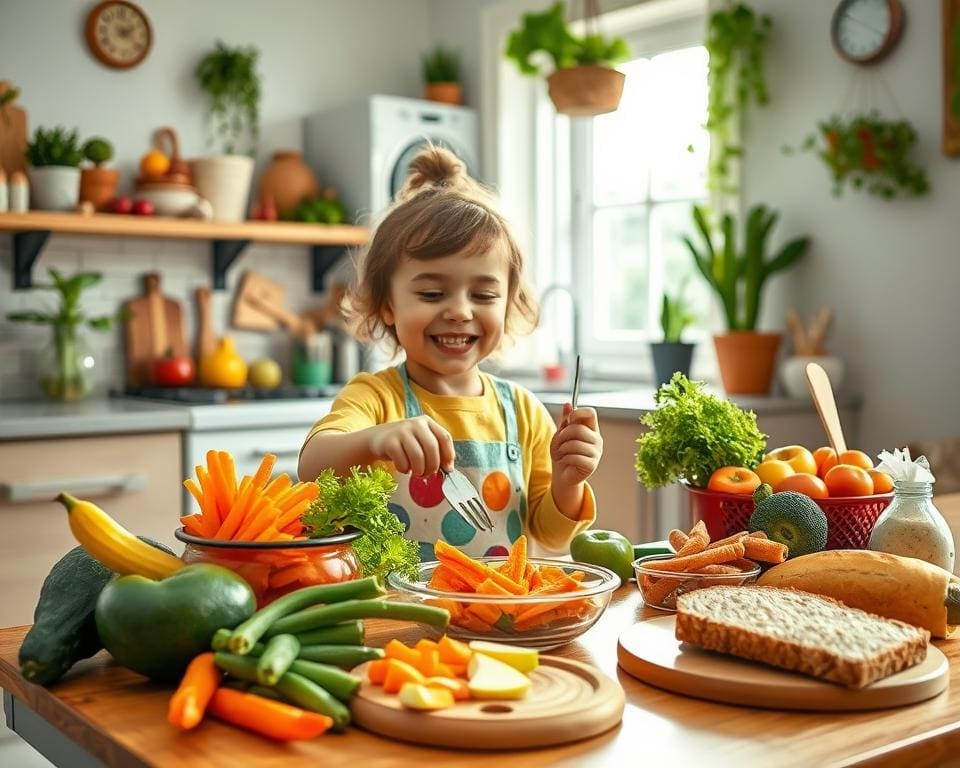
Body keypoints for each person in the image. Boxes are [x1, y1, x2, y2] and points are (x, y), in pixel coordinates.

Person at [298, 144, 602, 560]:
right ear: (388, 304)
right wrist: (377, 440)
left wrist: (569, 481)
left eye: (482, 294)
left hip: (495, 618)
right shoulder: (375, 398)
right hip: (400, 619)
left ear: (508, 303)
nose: (459, 311)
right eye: (432, 293)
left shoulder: (524, 412)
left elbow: (551, 536)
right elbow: (312, 466)